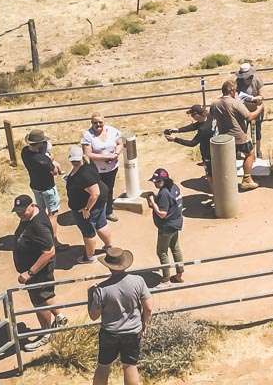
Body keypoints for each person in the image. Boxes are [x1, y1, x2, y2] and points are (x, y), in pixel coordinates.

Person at [87, 247, 152, 385]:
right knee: (130, 366)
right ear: (124, 263)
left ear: (109, 266)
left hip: (109, 333)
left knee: (103, 366)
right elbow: (149, 308)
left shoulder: (101, 289)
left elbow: (94, 316)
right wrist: (145, 324)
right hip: (132, 331)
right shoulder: (138, 281)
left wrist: (90, 295)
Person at [10, 195, 65, 350]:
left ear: (32, 206)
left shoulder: (38, 225)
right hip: (35, 268)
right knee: (46, 294)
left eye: (23, 211)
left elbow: (49, 252)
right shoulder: (31, 217)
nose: (20, 214)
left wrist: (30, 272)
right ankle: (60, 317)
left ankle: (46, 333)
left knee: (39, 301)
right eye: (18, 212)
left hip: (38, 270)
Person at [210, 81, 262, 192]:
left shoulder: (215, 103)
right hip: (239, 136)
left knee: (228, 159)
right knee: (250, 154)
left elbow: (212, 115)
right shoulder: (235, 103)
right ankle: (247, 179)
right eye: (235, 90)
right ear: (231, 91)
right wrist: (260, 108)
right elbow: (249, 117)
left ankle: (226, 182)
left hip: (224, 138)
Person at [65, 146, 112, 264]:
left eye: (75, 160)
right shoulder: (88, 165)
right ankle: (108, 246)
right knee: (101, 224)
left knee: (88, 232)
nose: (74, 162)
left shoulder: (83, 174)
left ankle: (90, 257)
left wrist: (87, 209)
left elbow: (95, 193)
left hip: (87, 207)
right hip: (100, 203)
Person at [20, 129, 65, 248]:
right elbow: (54, 172)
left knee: (41, 212)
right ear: (40, 143)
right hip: (48, 188)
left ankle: (40, 235)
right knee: (53, 214)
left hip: (35, 186)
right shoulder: (43, 160)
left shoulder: (24, 152)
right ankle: (53, 242)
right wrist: (50, 158)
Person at [141, 169, 184, 285]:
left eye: (158, 181)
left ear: (164, 180)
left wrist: (152, 202)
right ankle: (179, 274)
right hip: (176, 223)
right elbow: (171, 204)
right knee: (175, 248)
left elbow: (162, 213)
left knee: (162, 252)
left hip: (167, 227)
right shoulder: (174, 187)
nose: (155, 183)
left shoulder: (164, 193)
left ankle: (166, 278)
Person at [81, 114, 122, 222]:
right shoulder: (87, 135)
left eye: (100, 122)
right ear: (91, 123)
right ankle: (95, 212)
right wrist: (107, 157)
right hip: (96, 170)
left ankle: (108, 211)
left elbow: (120, 144)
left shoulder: (113, 131)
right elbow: (87, 154)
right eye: (95, 122)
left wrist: (116, 154)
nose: (98, 124)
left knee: (109, 190)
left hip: (112, 168)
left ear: (104, 121)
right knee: (96, 192)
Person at [163, 105, 214, 178]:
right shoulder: (210, 117)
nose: (192, 116)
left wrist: (175, 139)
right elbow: (195, 126)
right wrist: (178, 130)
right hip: (215, 148)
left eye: (193, 114)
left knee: (210, 175)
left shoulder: (203, 129)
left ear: (198, 115)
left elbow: (192, 143)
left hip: (208, 152)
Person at [235, 61, 265, 147]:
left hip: (256, 109)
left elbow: (262, 95)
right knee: (242, 130)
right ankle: (243, 150)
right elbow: (236, 94)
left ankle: (258, 150)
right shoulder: (238, 82)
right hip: (243, 110)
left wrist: (257, 99)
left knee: (257, 131)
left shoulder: (256, 79)